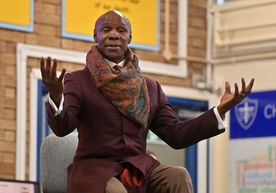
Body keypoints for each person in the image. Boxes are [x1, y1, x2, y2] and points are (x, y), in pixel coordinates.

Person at [40, 10, 254, 193]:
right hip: (94, 172)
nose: (114, 35)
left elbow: (176, 135)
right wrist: (56, 96)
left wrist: (219, 110)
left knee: (178, 176)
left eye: (121, 30)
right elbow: (62, 127)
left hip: (137, 167)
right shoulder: (78, 81)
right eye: (106, 30)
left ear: (130, 37)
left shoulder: (150, 87)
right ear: (95, 35)